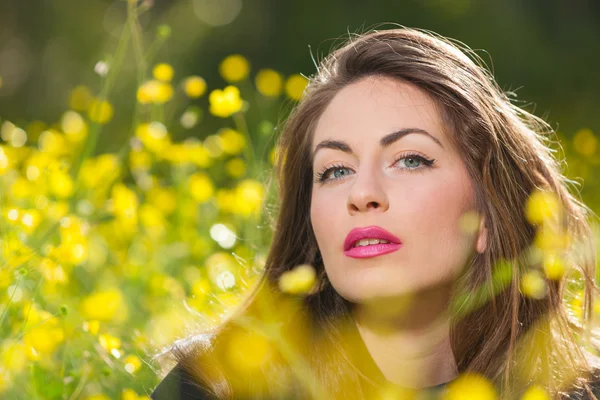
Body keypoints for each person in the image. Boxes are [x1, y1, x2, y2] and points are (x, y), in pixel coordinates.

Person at [149, 26, 600, 399]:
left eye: (410, 159)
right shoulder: (216, 387)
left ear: (487, 211)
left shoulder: (579, 390)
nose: (362, 193)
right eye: (336, 169)